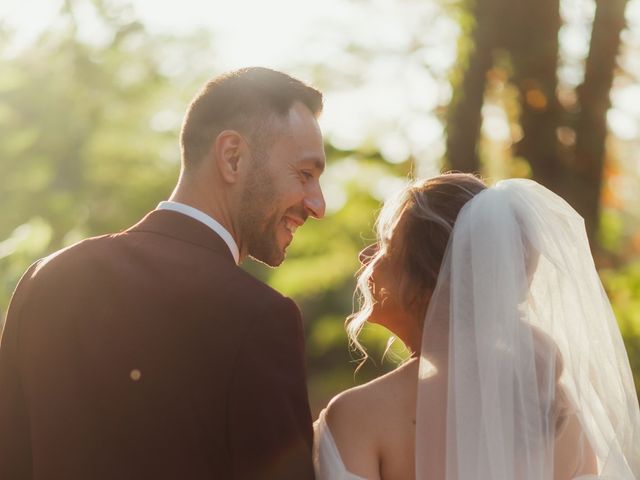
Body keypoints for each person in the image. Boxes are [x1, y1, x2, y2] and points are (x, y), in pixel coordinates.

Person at [0, 67, 326, 480]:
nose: (318, 204)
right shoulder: (258, 316)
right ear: (232, 157)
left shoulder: (45, 278)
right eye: (305, 174)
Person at [314, 173, 640, 479]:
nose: (365, 255)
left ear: (426, 288)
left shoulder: (357, 418)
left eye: (386, 245)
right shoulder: (558, 419)